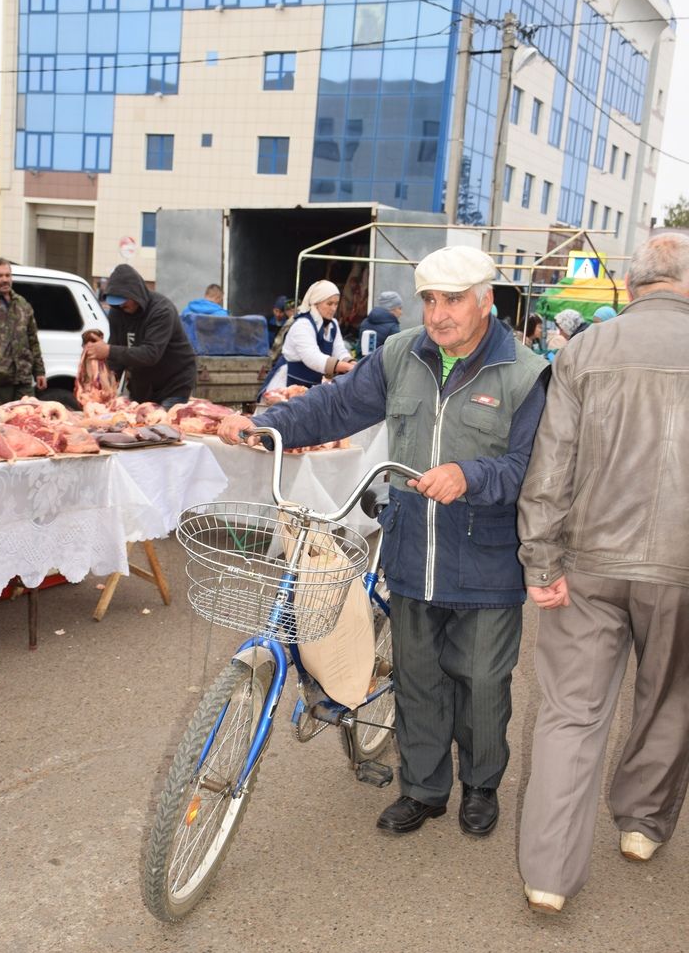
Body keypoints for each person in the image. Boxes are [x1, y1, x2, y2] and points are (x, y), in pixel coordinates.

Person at [219, 246, 548, 837]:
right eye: (429, 300)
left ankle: (480, 784)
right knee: (418, 678)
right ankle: (423, 790)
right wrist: (269, 425)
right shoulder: (400, 354)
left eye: (452, 300)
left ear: (485, 301)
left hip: (486, 559)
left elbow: (534, 468)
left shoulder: (525, 373)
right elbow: (336, 406)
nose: (438, 313)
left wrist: (471, 475)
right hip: (411, 551)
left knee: (481, 683)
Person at [516, 233, 689, 915]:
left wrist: (540, 558)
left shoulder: (586, 348)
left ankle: (548, 876)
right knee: (670, 696)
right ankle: (642, 825)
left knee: (569, 715)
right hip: (681, 569)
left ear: (630, 283)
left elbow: (550, 466)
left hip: (586, 562)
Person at [83, 263, 196, 409]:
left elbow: (150, 354)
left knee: (163, 427)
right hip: (143, 386)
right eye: (116, 304)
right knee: (135, 425)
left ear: (135, 294)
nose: (121, 307)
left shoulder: (161, 310)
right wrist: (108, 384)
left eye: (123, 302)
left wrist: (108, 350)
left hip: (173, 384)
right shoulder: (118, 312)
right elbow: (117, 354)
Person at [0, 256, 47, 403]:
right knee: (2, 422)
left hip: (23, 377)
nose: (5, 279)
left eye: (8, 275)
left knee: (29, 415)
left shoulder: (22, 303)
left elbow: (32, 339)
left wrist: (39, 371)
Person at [260, 280, 354, 393]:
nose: (333, 308)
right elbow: (313, 358)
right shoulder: (302, 324)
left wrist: (351, 362)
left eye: (336, 304)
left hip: (308, 388)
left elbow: (339, 350)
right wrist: (348, 367)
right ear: (316, 303)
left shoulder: (333, 324)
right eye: (329, 304)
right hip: (285, 385)